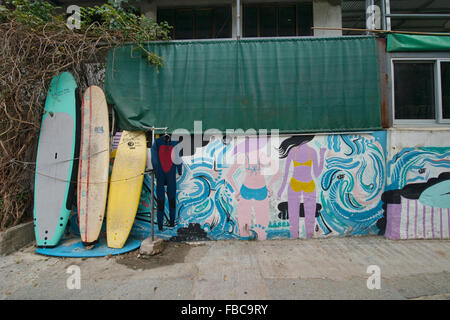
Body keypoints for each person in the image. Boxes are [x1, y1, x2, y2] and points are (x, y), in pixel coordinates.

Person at [226, 136, 278, 240]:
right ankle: (259, 237)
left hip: (247, 190)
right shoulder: (262, 156)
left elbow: (229, 175)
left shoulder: (244, 156)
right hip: (259, 190)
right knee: (261, 219)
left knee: (246, 217)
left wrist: (237, 191)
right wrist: (269, 186)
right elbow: (276, 172)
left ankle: (246, 237)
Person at [277, 136, 326, 239]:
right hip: (308, 183)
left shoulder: (292, 151)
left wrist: (281, 190)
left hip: (295, 183)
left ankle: (295, 237)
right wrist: (322, 156)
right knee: (309, 214)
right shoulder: (312, 151)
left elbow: (286, 174)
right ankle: (309, 236)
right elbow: (317, 173)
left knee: (293, 214)